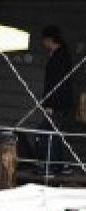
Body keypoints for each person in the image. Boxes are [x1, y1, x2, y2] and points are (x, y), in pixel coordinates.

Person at [37, 25, 75, 175]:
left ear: (50, 40)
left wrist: (50, 104)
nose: (43, 43)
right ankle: (59, 165)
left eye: (44, 40)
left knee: (47, 132)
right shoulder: (60, 55)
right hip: (59, 103)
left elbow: (56, 83)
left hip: (57, 104)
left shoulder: (60, 57)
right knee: (56, 133)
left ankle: (50, 165)